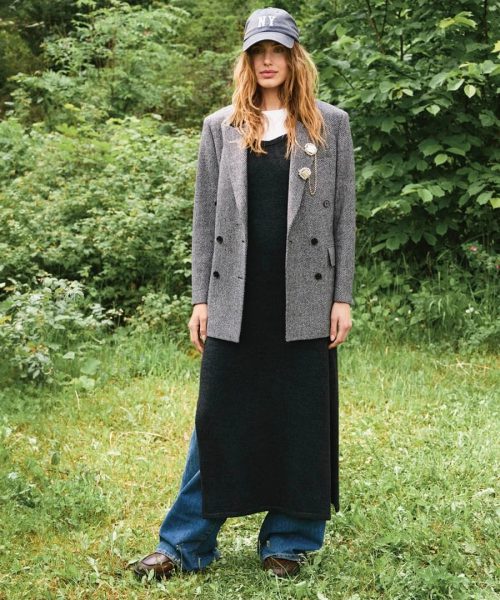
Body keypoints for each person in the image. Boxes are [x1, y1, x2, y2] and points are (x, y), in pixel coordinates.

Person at [129, 6, 356, 580]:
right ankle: (185, 545)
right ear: (247, 61)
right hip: (235, 296)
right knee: (219, 417)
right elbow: (205, 219)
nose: (268, 61)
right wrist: (200, 299)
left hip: (305, 297)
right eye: (259, 52)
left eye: (278, 51)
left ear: (295, 58)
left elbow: (344, 219)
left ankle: (289, 541)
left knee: (301, 416)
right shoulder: (221, 127)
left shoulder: (331, 124)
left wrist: (342, 297)